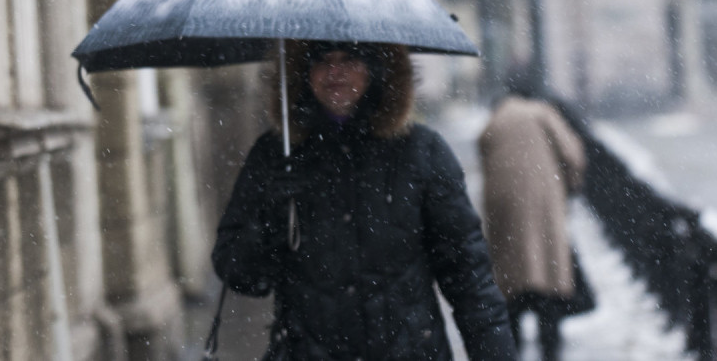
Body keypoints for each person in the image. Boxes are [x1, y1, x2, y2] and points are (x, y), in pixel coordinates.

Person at [212, 40, 518, 360]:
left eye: (350, 59)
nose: (335, 72)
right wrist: (269, 217)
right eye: (321, 59)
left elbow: (470, 281)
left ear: (377, 69)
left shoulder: (421, 152)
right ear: (302, 71)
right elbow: (241, 274)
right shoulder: (276, 155)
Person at [476, 71, 588, 361]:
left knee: (511, 285)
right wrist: (571, 185)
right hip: (543, 208)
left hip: (503, 212)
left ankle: (512, 350)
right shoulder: (542, 113)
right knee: (546, 281)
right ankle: (550, 350)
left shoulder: (494, 120)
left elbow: (484, 157)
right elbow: (573, 153)